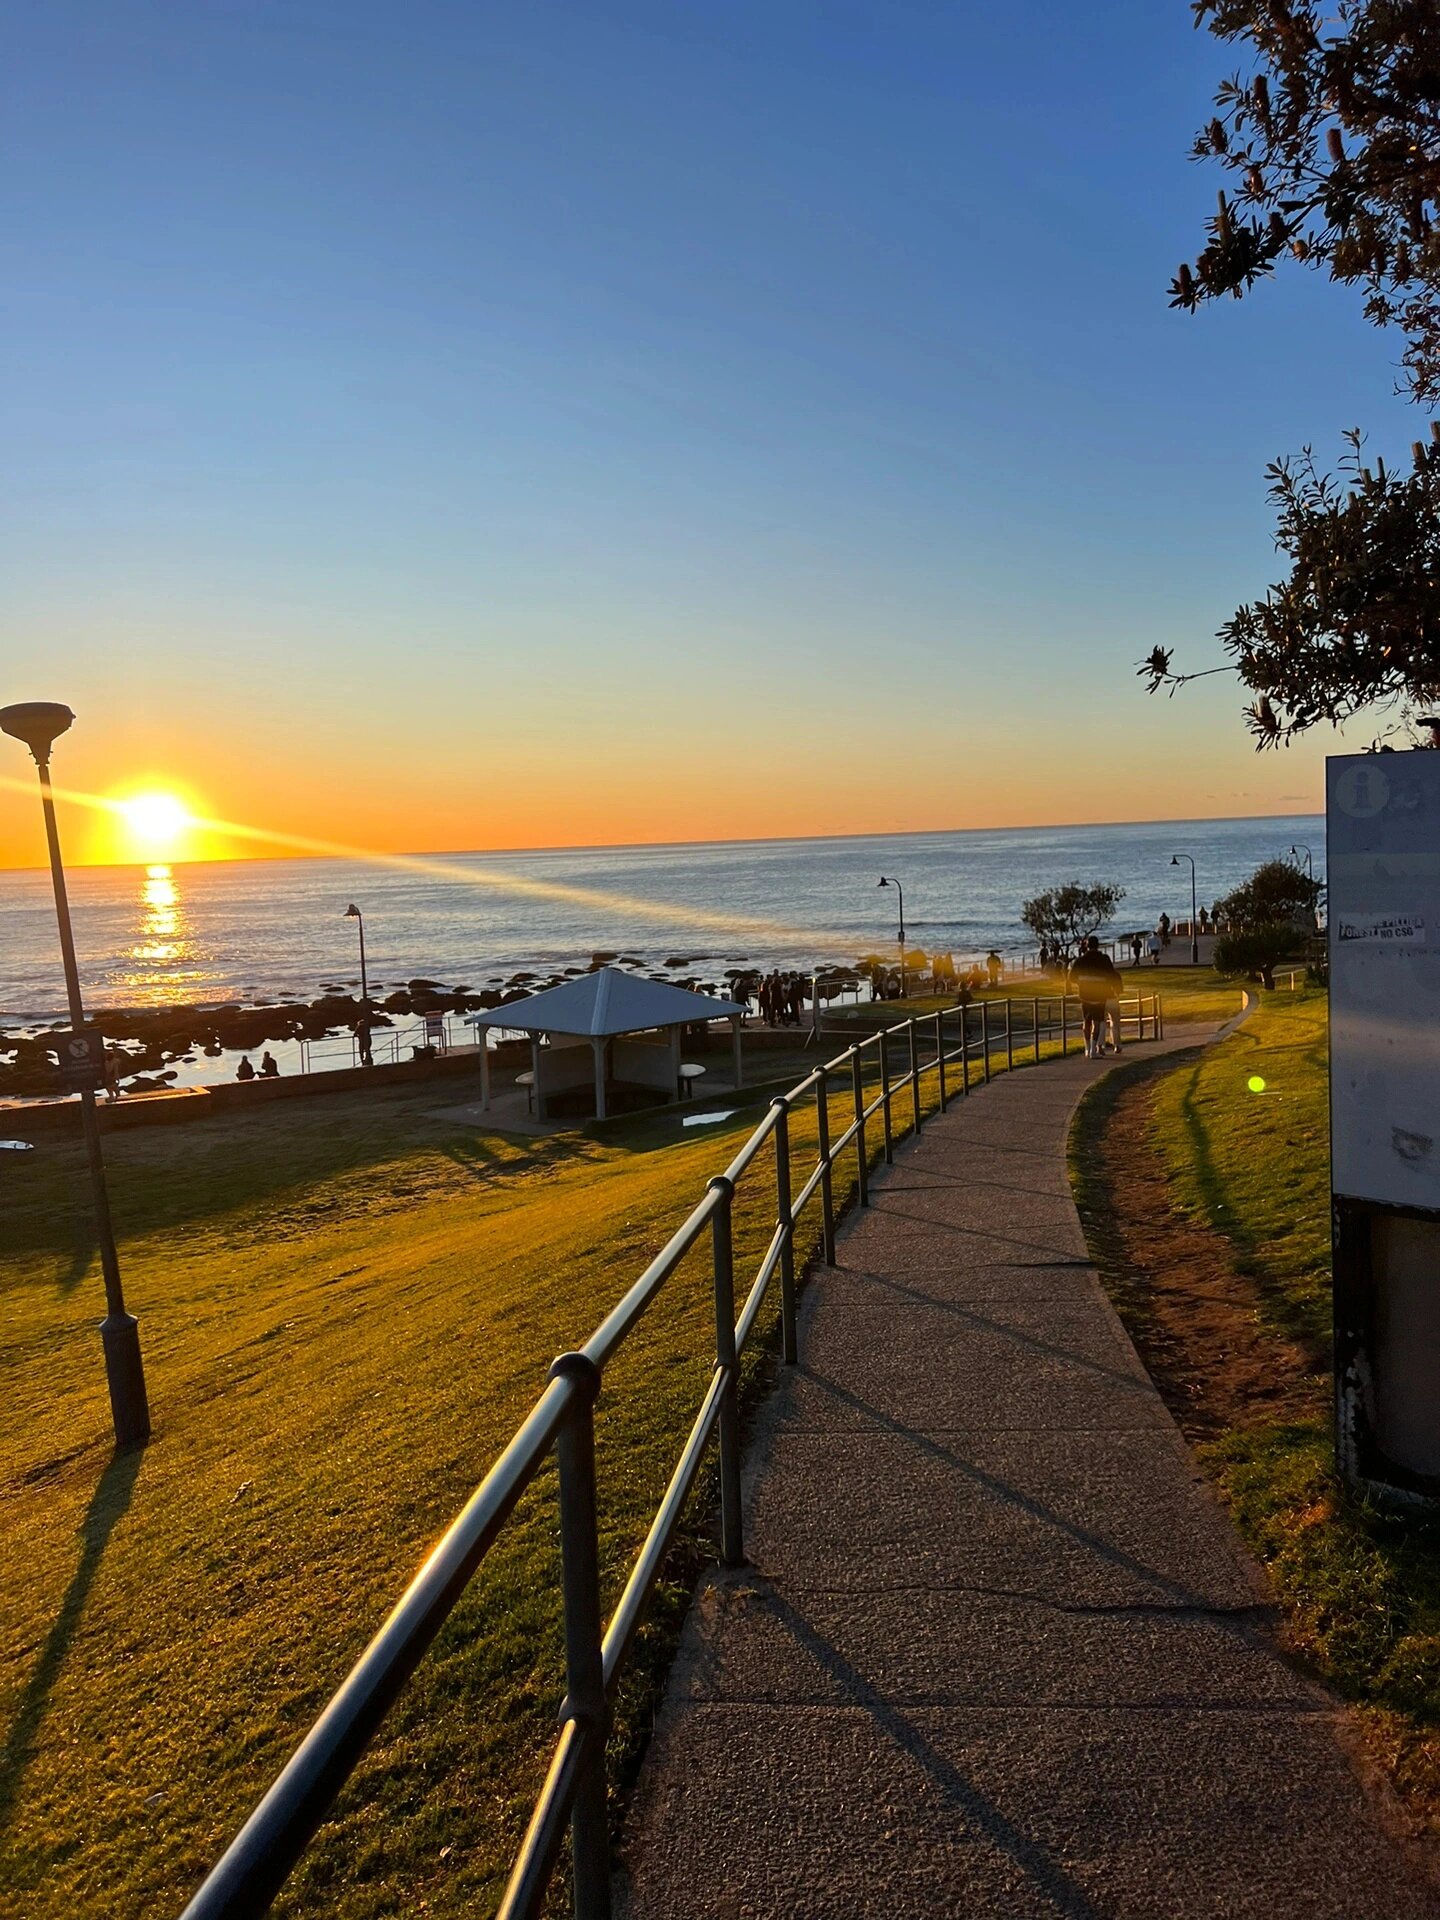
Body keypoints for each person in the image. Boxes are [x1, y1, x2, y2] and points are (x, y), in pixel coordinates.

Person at [1070, 936, 1122, 1059]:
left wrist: (1082, 983)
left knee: (1086, 1021)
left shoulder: (1081, 960)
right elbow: (1112, 976)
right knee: (1097, 1022)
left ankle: (1087, 1049)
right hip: (1100, 996)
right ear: (1098, 945)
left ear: (1087, 946)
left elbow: (1071, 977)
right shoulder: (1104, 960)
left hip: (1085, 995)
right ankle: (1094, 1050)